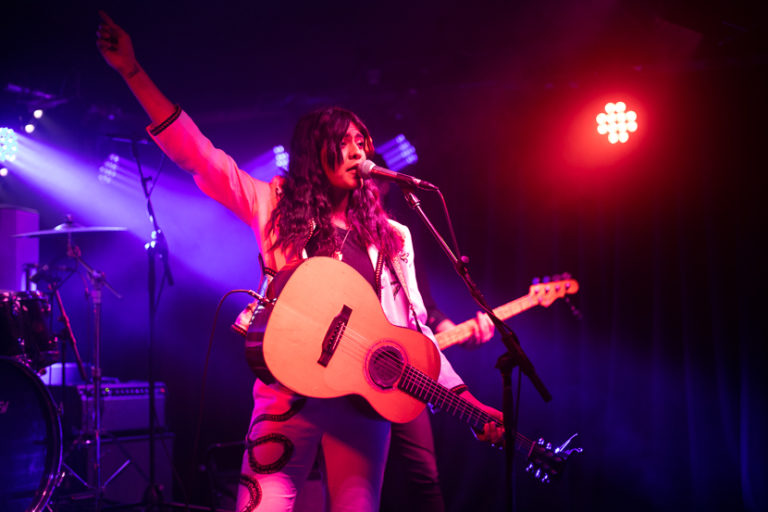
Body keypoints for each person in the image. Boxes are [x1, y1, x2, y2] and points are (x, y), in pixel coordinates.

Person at [96, 12, 502, 512]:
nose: (357, 152)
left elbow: (413, 332)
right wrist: (133, 71)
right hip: (287, 394)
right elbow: (200, 157)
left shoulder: (393, 236)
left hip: (360, 405)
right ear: (315, 152)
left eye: (362, 142)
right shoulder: (273, 205)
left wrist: (468, 401)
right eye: (343, 142)